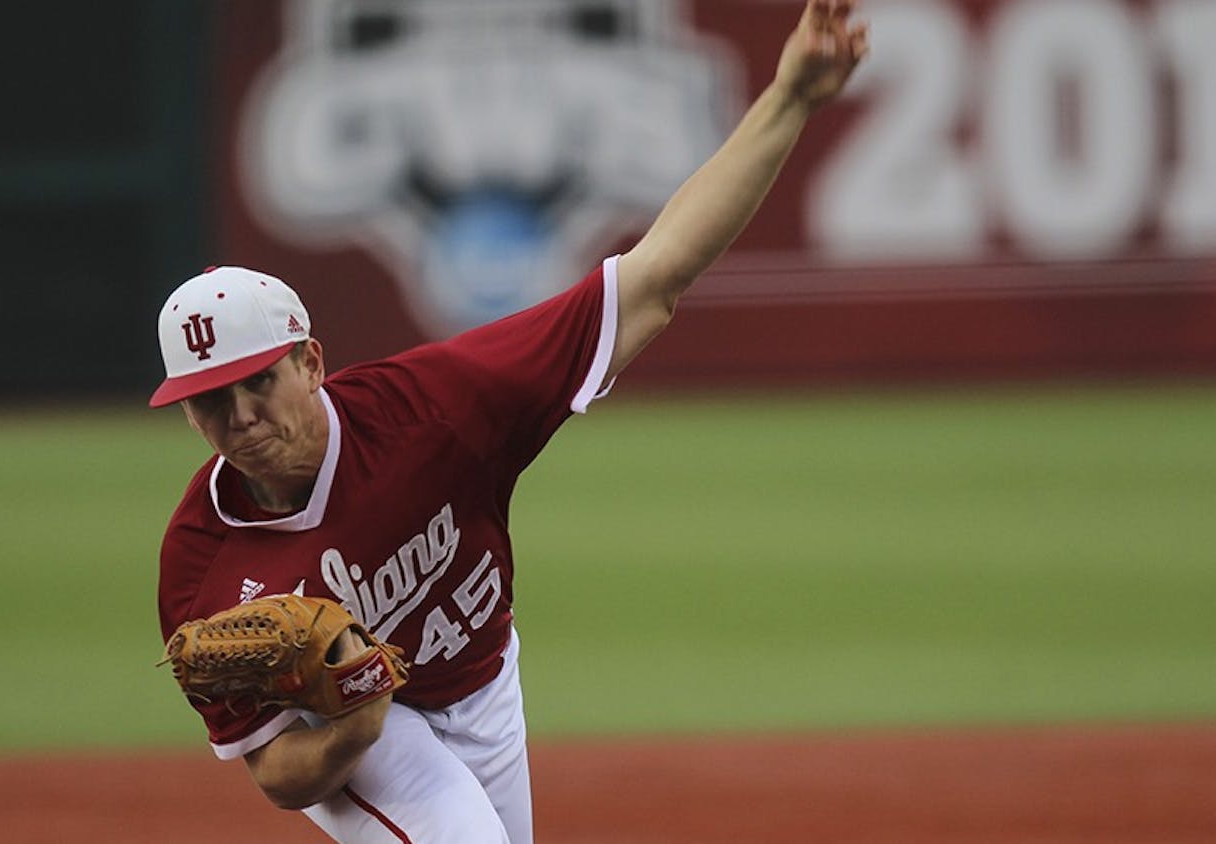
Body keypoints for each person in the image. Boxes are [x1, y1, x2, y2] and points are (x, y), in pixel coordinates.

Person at [151, 2, 867, 841]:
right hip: (360, 737)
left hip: (486, 680)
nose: (238, 417)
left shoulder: (438, 409)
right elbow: (276, 775)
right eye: (208, 400)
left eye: (256, 383)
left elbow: (655, 278)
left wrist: (790, 97)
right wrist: (353, 715)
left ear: (310, 363)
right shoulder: (201, 568)